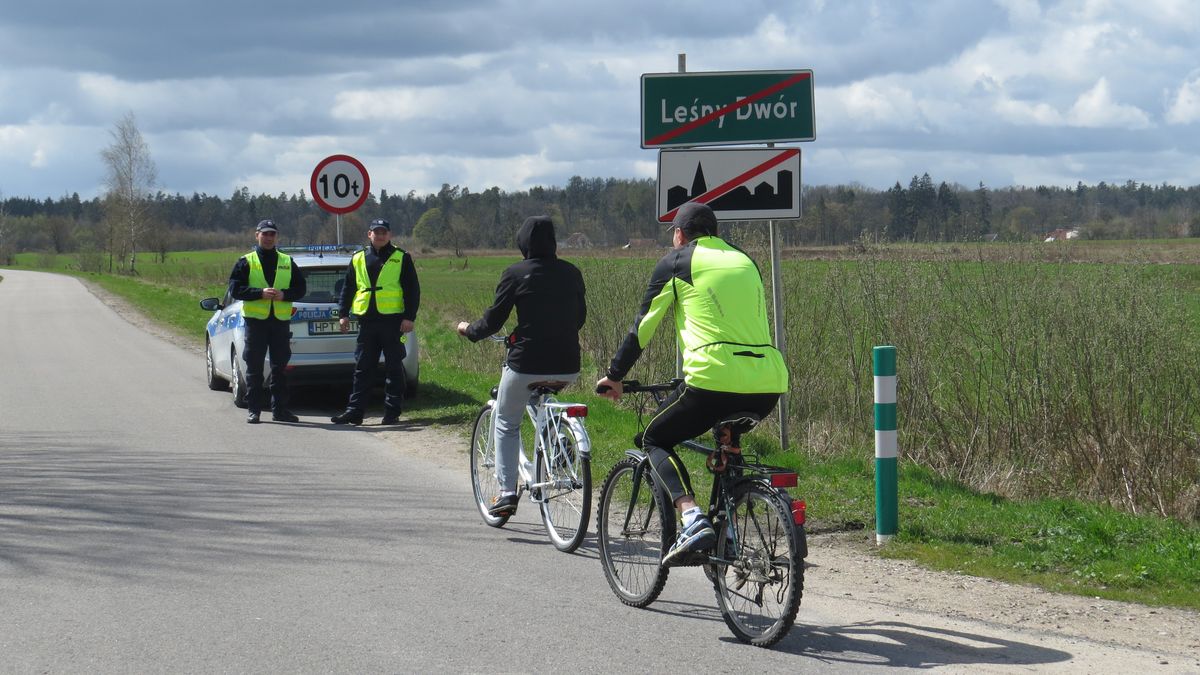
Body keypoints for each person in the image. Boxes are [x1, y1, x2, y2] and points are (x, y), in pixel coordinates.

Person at [595, 202, 789, 565]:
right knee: (728, 446)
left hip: (712, 378)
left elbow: (643, 327)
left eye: (673, 233)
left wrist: (615, 375)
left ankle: (691, 517)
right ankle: (728, 535)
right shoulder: (746, 261)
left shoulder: (678, 262)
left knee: (653, 439)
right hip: (768, 382)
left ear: (680, 234)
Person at [456, 216, 586, 516]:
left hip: (525, 361)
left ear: (523, 243)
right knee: (541, 400)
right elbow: (579, 318)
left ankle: (507, 492)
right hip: (568, 363)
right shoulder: (571, 272)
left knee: (505, 419)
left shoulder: (515, 273)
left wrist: (468, 330)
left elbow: (493, 321)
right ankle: (558, 443)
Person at [331, 219, 420, 425]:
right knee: (363, 368)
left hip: (392, 321)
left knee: (394, 368)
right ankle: (355, 412)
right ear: (369, 234)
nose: (380, 236)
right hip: (367, 322)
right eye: (376, 232)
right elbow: (348, 288)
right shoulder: (358, 258)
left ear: (389, 235)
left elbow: (412, 290)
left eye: (384, 232)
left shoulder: (401, 257)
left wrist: (409, 317)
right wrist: (343, 314)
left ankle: (392, 413)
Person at [226, 219, 307, 424]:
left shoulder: (287, 261)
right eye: (265, 234)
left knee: (280, 368)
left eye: (272, 234)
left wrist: (285, 295)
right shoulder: (246, 261)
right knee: (254, 367)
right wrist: (259, 293)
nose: (269, 238)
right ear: (257, 236)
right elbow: (235, 289)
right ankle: (254, 410)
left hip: (280, 322)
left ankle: (280, 410)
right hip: (256, 322)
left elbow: (301, 289)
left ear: (276, 237)